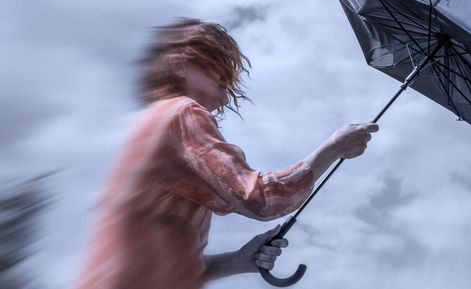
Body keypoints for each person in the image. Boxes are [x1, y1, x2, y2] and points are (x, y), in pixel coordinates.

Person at [74, 19, 378, 289]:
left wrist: (238, 260)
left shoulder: (156, 128)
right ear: (180, 64)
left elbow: (168, 266)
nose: (224, 95)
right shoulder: (182, 114)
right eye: (220, 77)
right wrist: (332, 149)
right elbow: (260, 199)